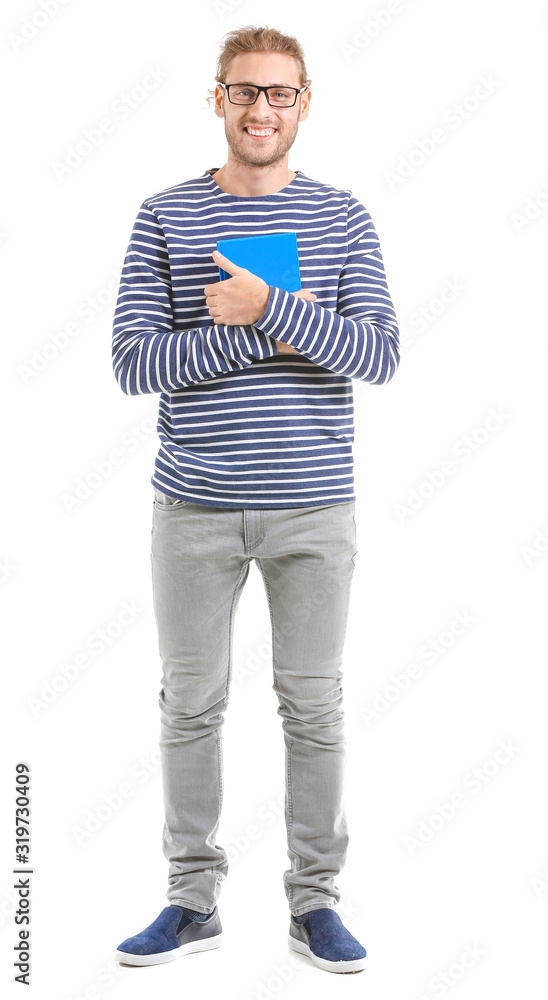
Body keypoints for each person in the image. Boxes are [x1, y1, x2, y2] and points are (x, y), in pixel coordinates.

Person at [112, 24, 399, 975]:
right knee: (190, 704)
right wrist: (249, 330)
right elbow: (131, 363)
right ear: (218, 100)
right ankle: (191, 900)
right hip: (190, 508)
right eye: (244, 92)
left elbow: (381, 356)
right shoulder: (165, 216)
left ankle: (314, 904)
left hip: (314, 509)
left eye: (280, 93)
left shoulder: (346, 219)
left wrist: (270, 307)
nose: (261, 109)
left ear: (305, 101)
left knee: (313, 706)